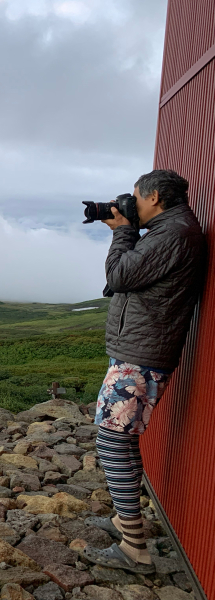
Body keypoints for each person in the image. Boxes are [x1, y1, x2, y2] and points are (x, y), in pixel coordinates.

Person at [82, 169, 206, 573]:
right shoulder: (174, 230)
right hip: (141, 349)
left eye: (136, 198)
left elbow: (119, 276)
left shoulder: (173, 235)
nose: (132, 205)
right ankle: (126, 521)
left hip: (142, 354)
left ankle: (134, 548)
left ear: (154, 198)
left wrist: (121, 231)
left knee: (111, 441)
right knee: (124, 438)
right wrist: (129, 228)